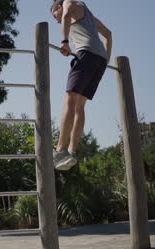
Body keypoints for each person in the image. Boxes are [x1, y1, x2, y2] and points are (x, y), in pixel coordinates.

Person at [50, 0, 112, 170]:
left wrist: (64, 41)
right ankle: (71, 152)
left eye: (55, 16)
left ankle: (60, 150)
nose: (56, 21)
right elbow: (108, 34)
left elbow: (66, 15)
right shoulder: (89, 15)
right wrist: (106, 59)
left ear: (59, 7)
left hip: (86, 55)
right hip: (99, 60)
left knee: (70, 100)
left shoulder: (69, 3)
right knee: (79, 106)